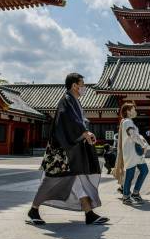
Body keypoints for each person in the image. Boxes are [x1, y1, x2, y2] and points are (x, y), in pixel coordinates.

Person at [27, 73, 109, 226]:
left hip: (70, 150)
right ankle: (34, 209)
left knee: (77, 179)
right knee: (50, 180)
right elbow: (69, 120)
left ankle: (89, 213)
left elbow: (78, 121)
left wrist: (85, 132)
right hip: (61, 151)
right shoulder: (67, 100)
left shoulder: (74, 101)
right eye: (82, 84)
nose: (84, 87)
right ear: (74, 86)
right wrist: (84, 132)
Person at [119, 102, 150, 205]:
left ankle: (135, 193)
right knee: (130, 173)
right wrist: (143, 144)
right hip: (131, 151)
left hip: (136, 151)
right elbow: (132, 135)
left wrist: (144, 143)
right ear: (128, 111)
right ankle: (126, 195)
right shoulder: (127, 121)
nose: (135, 111)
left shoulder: (130, 122)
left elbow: (136, 135)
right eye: (133, 109)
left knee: (144, 170)